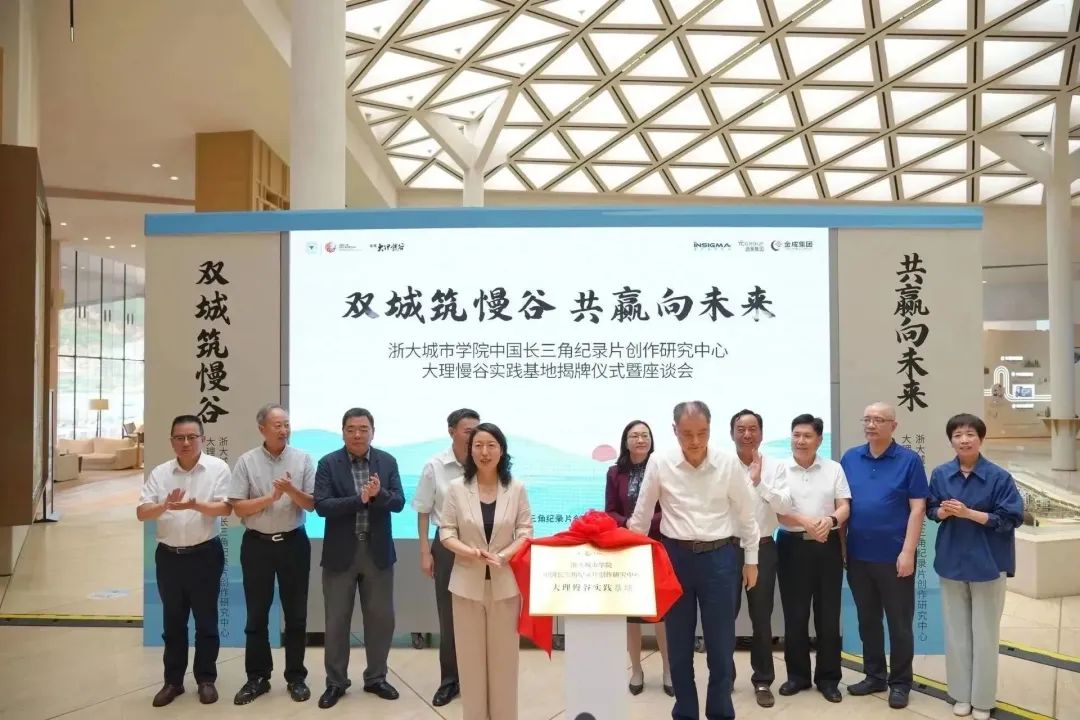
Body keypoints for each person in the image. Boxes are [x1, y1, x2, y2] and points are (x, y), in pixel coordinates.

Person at [628, 401, 759, 720]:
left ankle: (720, 712)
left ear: (711, 429)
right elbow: (641, 518)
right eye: (687, 434)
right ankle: (685, 712)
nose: (696, 441)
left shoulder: (727, 463)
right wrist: (632, 561)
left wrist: (751, 560)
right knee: (679, 644)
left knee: (721, 645)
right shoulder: (660, 462)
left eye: (703, 433)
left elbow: (747, 515)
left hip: (721, 558)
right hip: (676, 559)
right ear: (674, 431)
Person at [927, 413, 1023, 720]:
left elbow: (1011, 518)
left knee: (985, 634)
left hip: (988, 563)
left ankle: (982, 698)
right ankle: (960, 694)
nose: (964, 440)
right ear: (951, 441)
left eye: (970, 434)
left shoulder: (999, 477)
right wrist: (943, 512)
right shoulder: (941, 474)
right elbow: (930, 509)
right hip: (951, 560)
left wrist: (969, 513)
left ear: (981, 439)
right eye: (957, 435)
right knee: (956, 633)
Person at [439, 422, 533, 720]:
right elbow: (446, 532)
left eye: (491, 445)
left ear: (502, 451)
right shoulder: (457, 489)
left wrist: (504, 556)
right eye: (478, 445)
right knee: (470, 662)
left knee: (504, 661)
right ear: (470, 451)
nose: (484, 452)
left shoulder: (516, 488)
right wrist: (469, 552)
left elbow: (525, 531)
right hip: (466, 586)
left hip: (505, 586)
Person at [136, 415, 231, 708]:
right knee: (173, 622)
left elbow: (225, 508)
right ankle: (173, 682)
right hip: (169, 558)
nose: (186, 443)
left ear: (203, 438)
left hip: (205, 555)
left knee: (206, 621)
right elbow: (141, 512)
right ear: (172, 441)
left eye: (192, 437)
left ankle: (206, 679)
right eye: (179, 438)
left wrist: (193, 504)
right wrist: (163, 505)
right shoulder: (160, 473)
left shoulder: (217, 468)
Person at [313, 408, 405, 709]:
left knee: (380, 620)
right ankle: (336, 682)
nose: (357, 434)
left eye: (363, 429)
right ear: (342, 432)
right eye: (351, 429)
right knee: (336, 621)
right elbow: (322, 506)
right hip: (341, 553)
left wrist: (379, 495)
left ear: (372, 432)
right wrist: (359, 500)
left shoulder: (387, 462)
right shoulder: (328, 463)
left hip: (377, 553)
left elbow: (399, 503)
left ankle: (376, 677)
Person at [840, 402, 928, 709]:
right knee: (868, 621)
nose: (871, 424)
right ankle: (874, 675)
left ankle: (900, 683)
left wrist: (908, 551)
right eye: (867, 419)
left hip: (895, 557)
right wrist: (842, 549)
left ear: (894, 425)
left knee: (899, 624)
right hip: (858, 556)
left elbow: (918, 508)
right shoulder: (850, 458)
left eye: (879, 419)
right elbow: (843, 505)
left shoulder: (909, 460)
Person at [228, 403, 316, 705]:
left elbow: (311, 504)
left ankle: (296, 677)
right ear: (262, 429)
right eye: (277, 425)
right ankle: (257, 677)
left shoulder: (302, 459)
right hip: (257, 546)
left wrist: (291, 491)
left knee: (296, 614)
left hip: (293, 544)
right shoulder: (247, 461)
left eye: (287, 424)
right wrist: (270, 498)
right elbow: (238, 507)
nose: (284, 430)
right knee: (256, 614)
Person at [775, 414, 850, 704]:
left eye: (807, 436)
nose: (801, 441)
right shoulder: (780, 469)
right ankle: (797, 676)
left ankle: (828, 679)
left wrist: (830, 521)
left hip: (827, 544)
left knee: (828, 615)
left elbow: (844, 506)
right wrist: (806, 522)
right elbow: (779, 512)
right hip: (792, 546)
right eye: (796, 435)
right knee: (795, 614)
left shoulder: (834, 468)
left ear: (819, 439)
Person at [414, 408, 480, 707]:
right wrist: (425, 552)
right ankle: (450, 681)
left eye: (477, 430)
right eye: (468, 431)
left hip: (482, 545)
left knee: (481, 614)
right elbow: (423, 511)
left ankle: (477, 678)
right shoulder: (435, 466)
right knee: (450, 616)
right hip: (447, 545)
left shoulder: (486, 461)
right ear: (452, 431)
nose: (474, 436)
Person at [729, 409, 793, 708]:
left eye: (752, 428)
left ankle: (763, 680)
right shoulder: (722, 465)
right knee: (723, 617)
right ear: (732, 433)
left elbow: (785, 506)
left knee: (762, 617)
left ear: (761, 434)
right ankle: (724, 678)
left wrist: (758, 482)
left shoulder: (776, 467)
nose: (747, 434)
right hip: (727, 549)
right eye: (741, 429)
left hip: (764, 548)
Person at [604, 419, 672, 697]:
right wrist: (628, 524)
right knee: (631, 616)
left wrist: (643, 523)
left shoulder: (662, 469)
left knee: (661, 613)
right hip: (627, 548)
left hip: (658, 546)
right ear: (626, 441)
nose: (640, 440)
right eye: (634, 435)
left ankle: (668, 669)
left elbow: (669, 508)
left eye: (645, 435)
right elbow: (609, 511)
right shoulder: (614, 472)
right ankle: (636, 670)